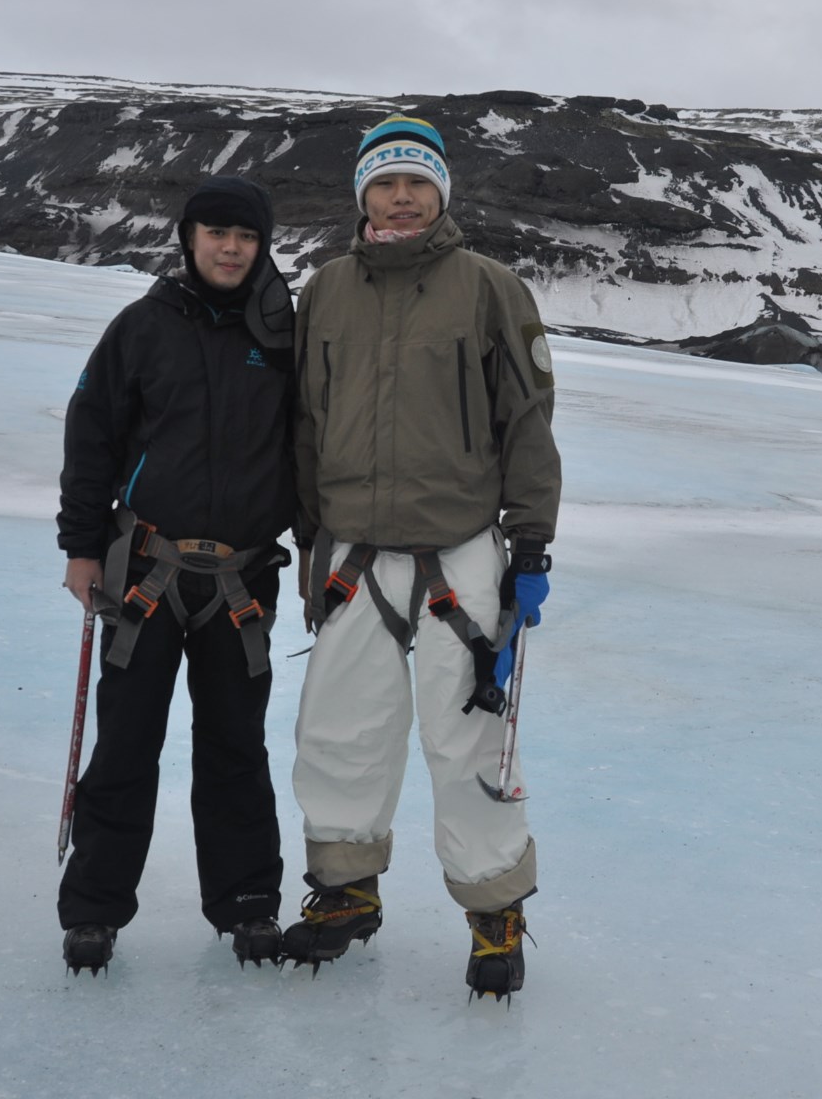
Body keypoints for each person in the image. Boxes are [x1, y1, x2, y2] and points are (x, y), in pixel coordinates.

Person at [284, 114, 560, 999]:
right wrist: (304, 533)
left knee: (469, 742)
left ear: (442, 192)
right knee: (340, 733)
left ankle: (494, 915)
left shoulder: (489, 288)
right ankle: (344, 893)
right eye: (384, 183)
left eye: (417, 182)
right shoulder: (325, 288)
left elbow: (527, 420)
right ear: (361, 195)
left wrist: (532, 546)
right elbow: (304, 424)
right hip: (352, 554)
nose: (401, 198)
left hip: (462, 551)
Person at [54, 175, 298, 975]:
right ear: (189, 239)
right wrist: (80, 547)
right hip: (144, 574)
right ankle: (93, 910)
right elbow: (91, 438)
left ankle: (248, 905)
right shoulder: (141, 328)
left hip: (242, 582)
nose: (231, 248)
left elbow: (311, 454)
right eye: (216, 232)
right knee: (125, 743)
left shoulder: (284, 336)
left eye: (246, 236)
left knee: (236, 748)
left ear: (263, 247)